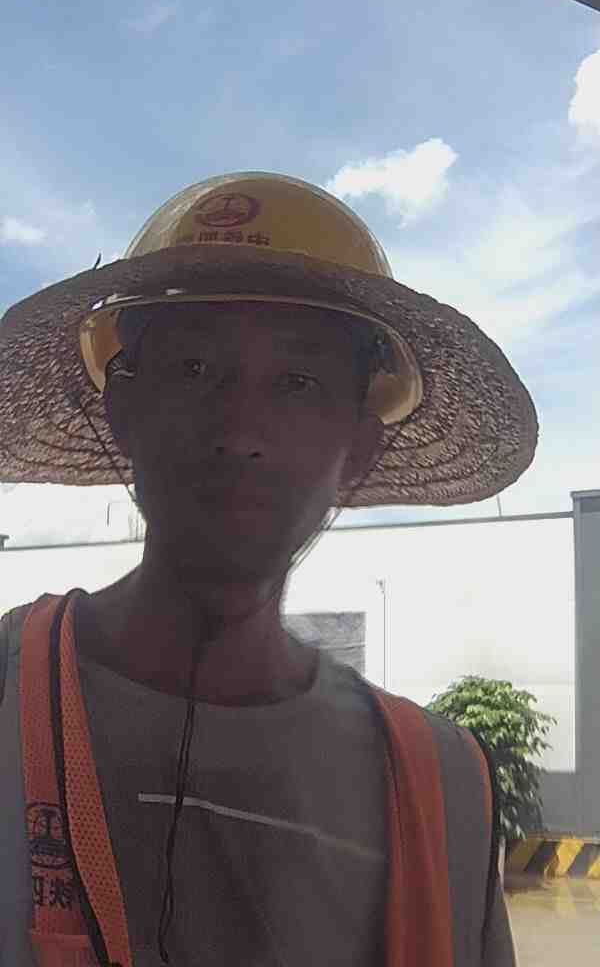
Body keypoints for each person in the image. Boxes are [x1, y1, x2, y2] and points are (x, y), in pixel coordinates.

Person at [0, 172, 537, 967]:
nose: (240, 429)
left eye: (297, 382)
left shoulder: (445, 785)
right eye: (193, 368)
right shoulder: (10, 691)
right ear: (121, 407)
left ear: (359, 447)